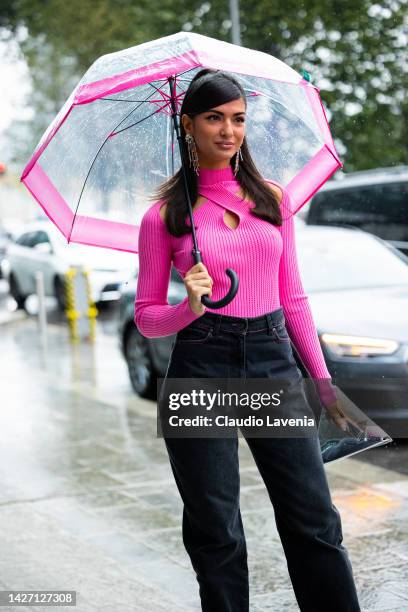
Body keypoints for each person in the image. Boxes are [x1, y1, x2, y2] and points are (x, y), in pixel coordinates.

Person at [134, 68, 361, 612]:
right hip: (199, 367)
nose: (228, 130)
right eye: (214, 117)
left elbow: (295, 295)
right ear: (187, 124)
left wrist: (323, 382)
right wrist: (187, 307)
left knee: (314, 519)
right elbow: (146, 317)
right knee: (215, 529)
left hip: (270, 357)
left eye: (238, 118)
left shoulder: (272, 200)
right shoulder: (164, 216)